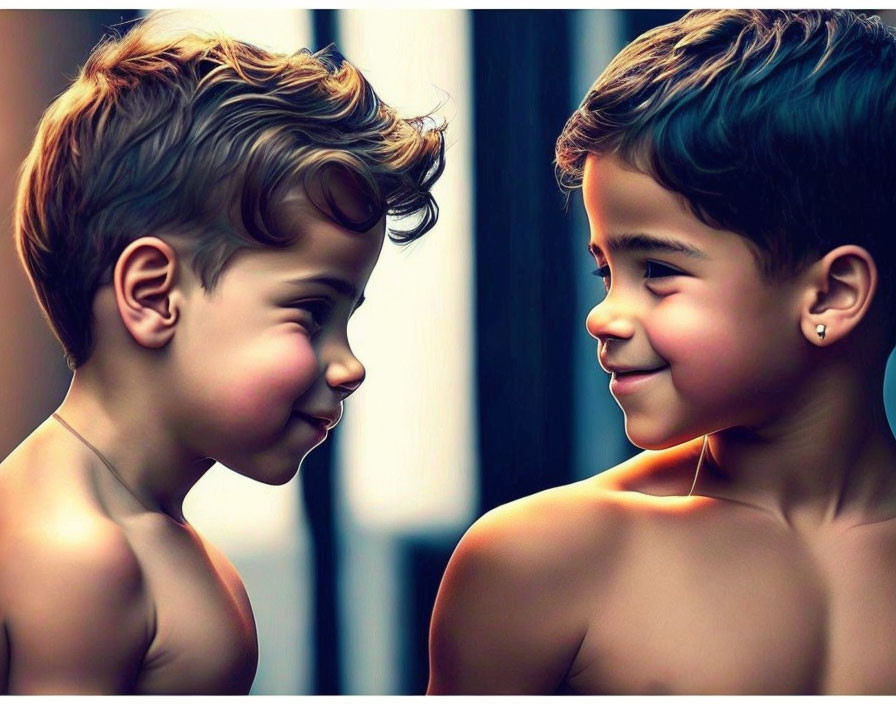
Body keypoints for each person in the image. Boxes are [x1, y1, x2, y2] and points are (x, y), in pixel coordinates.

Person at [427, 9, 896, 695]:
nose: (603, 314)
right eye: (605, 271)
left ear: (830, 295)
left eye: (659, 271)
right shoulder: (544, 560)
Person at [1, 12, 444, 694]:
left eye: (346, 319)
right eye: (310, 313)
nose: (349, 366)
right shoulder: (79, 556)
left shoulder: (146, 538)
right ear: (152, 296)